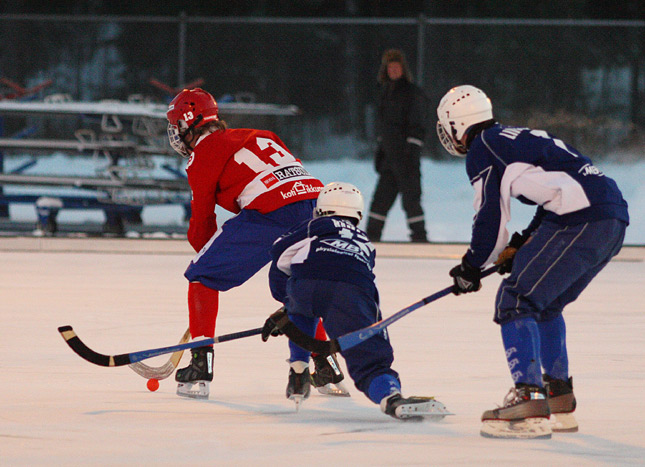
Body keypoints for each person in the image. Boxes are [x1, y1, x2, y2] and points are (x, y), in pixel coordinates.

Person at [436, 85, 629, 438]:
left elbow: (490, 218)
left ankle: (528, 401)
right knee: (544, 304)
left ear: (455, 123)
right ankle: (557, 396)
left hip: (580, 219)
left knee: (515, 300)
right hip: (610, 218)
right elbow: (554, 190)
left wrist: (471, 266)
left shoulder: (483, 147)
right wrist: (525, 243)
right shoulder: (513, 136)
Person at [166, 88, 340, 399]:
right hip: (316, 203)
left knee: (202, 278)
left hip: (273, 209)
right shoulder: (262, 134)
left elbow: (202, 222)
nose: (177, 134)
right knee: (301, 285)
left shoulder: (202, 154)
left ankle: (200, 365)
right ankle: (325, 366)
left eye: (178, 125)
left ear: (190, 123)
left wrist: (208, 261)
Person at [262, 182, 450, 419]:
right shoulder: (364, 242)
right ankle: (391, 397)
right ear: (358, 215)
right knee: (370, 359)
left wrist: (286, 304)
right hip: (352, 290)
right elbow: (362, 278)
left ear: (320, 210)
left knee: (302, 303)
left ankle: (298, 369)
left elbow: (279, 252)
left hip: (306, 283)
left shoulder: (312, 226)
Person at [366, 49, 429, 243]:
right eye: (390, 68)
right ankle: (370, 237)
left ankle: (419, 238)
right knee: (380, 200)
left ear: (403, 69)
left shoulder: (411, 92)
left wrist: (412, 148)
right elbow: (383, 126)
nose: (393, 71)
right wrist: (381, 151)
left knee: (411, 200)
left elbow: (418, 123)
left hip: (406, 156)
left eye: (396, 67)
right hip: (389, 157)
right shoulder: (384, 92)